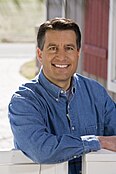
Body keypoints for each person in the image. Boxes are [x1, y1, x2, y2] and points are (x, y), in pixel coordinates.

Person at [8, 18, 116, 174]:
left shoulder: (95, 92)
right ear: (39, 54)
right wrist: (98, 141)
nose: (61, 56)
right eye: (53, 48)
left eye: (69, 48)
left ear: (78, 52)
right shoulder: (24, 101)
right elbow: (41, 149)